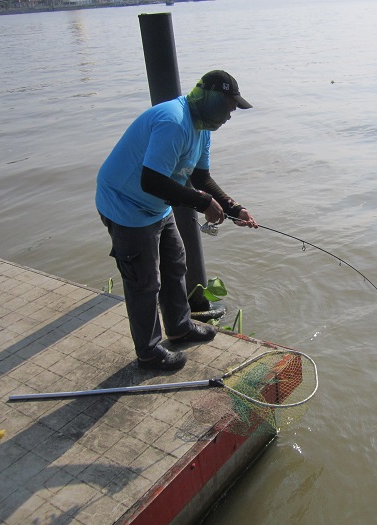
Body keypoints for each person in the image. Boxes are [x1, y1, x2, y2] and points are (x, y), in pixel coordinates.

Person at [96, 70, 258, 372]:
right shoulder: (174, 122)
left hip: (157, 206)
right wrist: (201, 203)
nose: (231, 114)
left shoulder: (201, 127)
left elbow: (200, 177)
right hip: (126, 206)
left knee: (175, 263)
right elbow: (151, 181)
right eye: (229, 105)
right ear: (210, 98)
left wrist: (234, 208)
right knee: (144, 282)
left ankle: (180, 327)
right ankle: (148, 352)